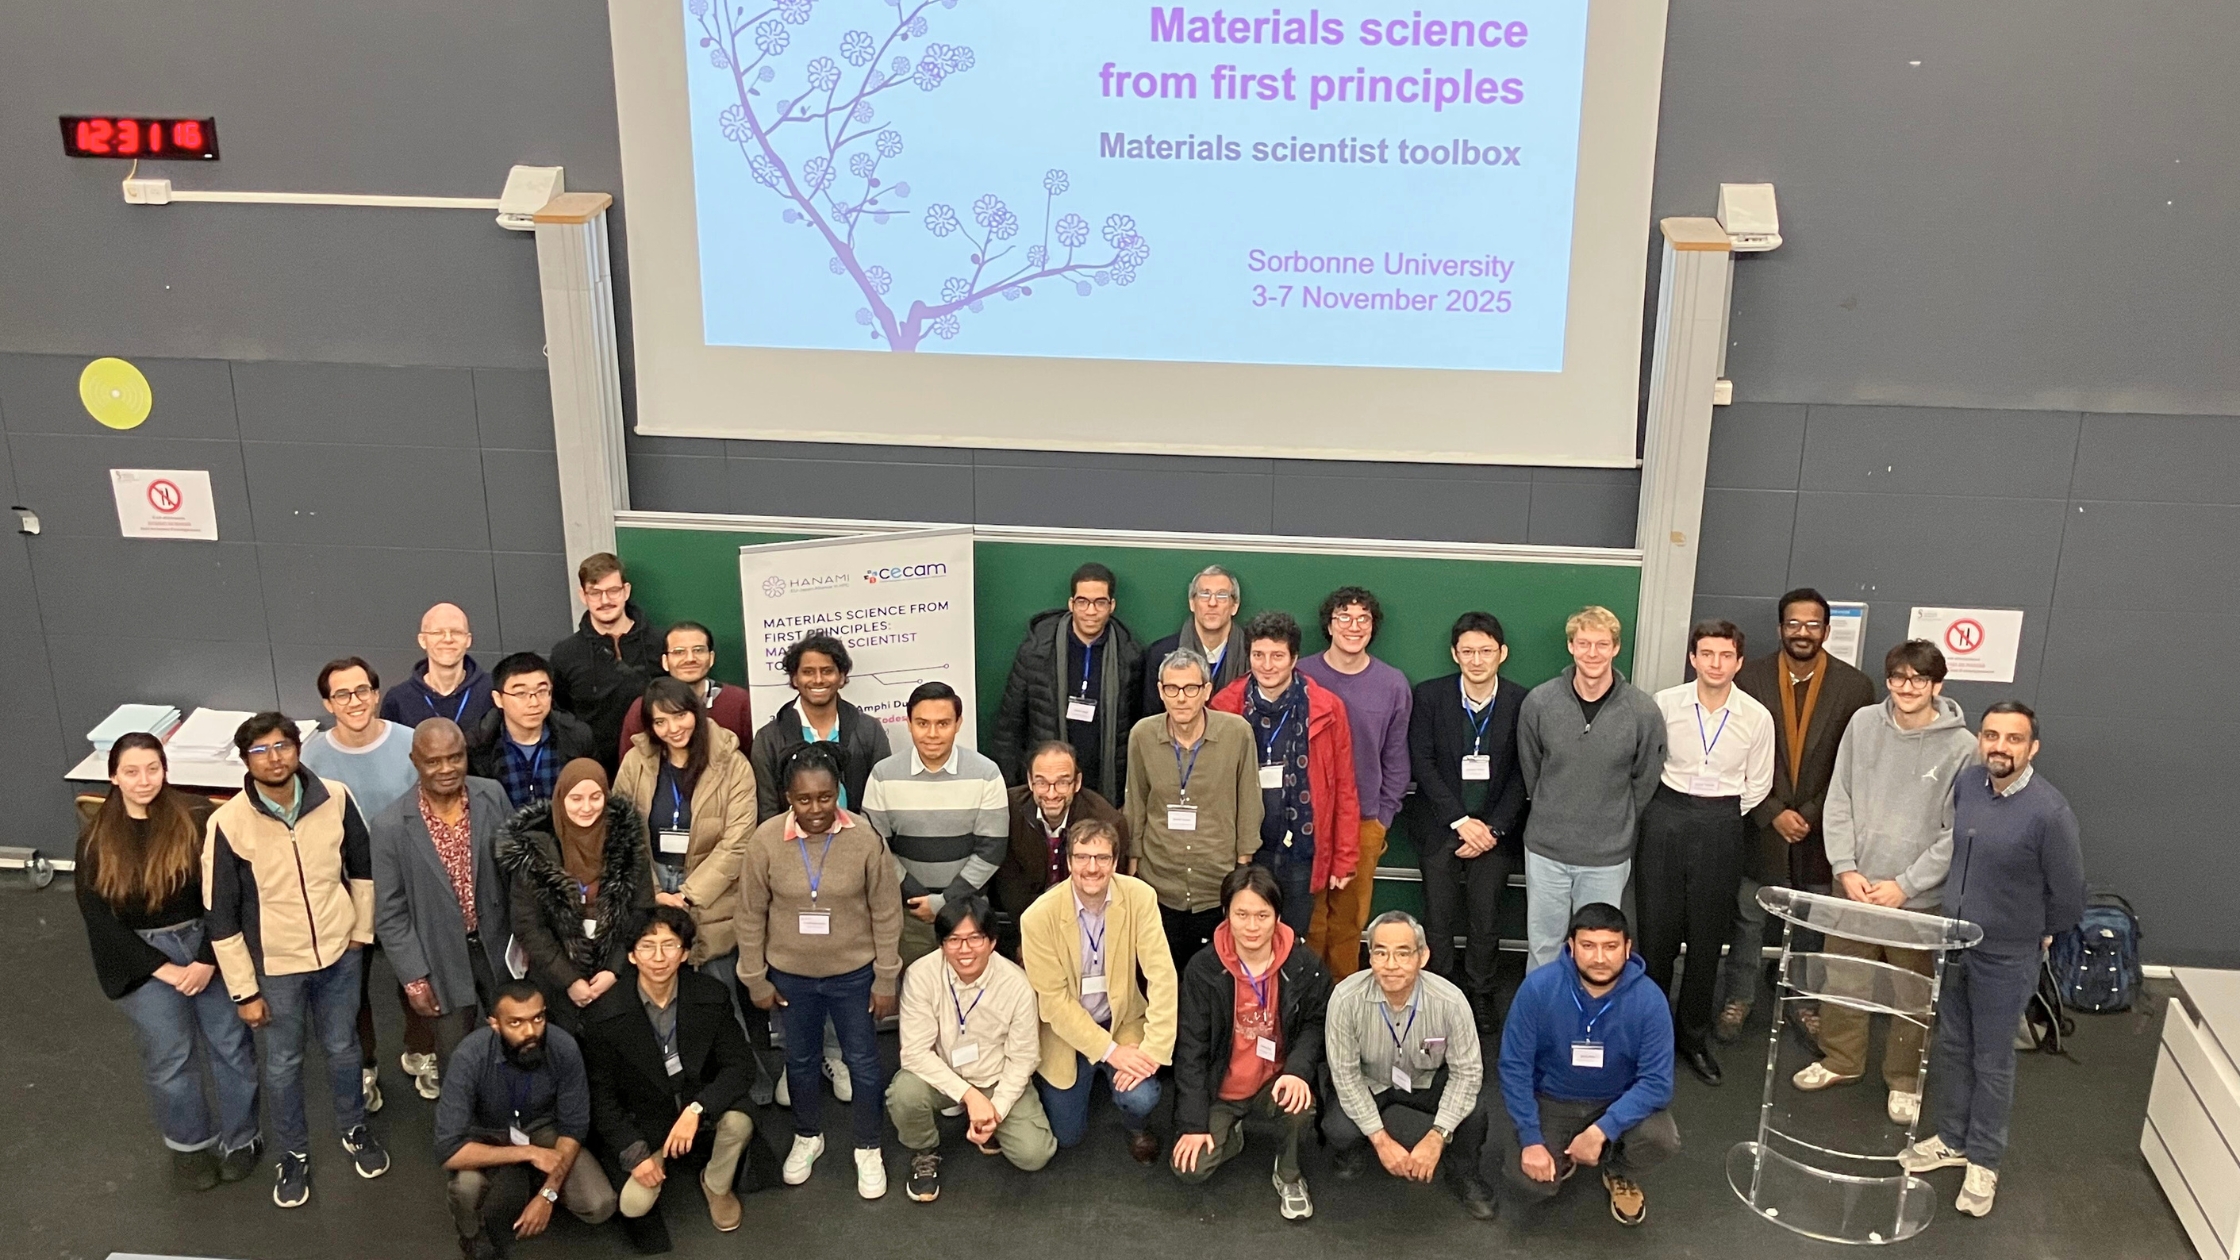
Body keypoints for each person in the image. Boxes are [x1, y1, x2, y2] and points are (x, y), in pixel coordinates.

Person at [1898, 702, 2084, 1219]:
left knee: (1993, 1058)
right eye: (1991, 735)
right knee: (1954, 1045)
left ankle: (1984, 1159)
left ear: (2033, 748)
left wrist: (2038, 933)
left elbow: (2068, 894)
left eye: (2014, 739)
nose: (2000, 747)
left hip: (2007, 954)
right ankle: (1952, 1140)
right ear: (1980, 739)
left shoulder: (2049, 811)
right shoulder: (1970, 785)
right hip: (1955, 945)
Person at [203, 711, 391, 1207]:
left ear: (297, 748)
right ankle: (294, 1155)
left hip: (339, 954)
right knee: (284, 1062)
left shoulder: (335, 798)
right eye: (260, 750)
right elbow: (220, 917)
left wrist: (359, 933)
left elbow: (364, 868)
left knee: (345, 1047)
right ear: (246, 760)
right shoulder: (226, 823)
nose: (274, 757)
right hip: (276, 968)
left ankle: (355, 1129)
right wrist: (245, 991)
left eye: (281, 745)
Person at [1793, 640, 1976, 1124]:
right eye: (1898, 677)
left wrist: (1906, 885)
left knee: (1911, 993)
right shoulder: (1863, 724)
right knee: (1844, 980)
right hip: (1853, 887)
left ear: (1937, 685)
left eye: (1918, 679)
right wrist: (1845, 868)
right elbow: (1840, 798)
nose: (1906, 687)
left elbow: (1956, 833)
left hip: (1913, 900)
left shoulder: (1964, 748)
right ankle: (1840, 1060)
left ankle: (1903, 1080)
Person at [75, 733, 260, 1191]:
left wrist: (204, 959)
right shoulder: (96, 839)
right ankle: (190, 1146)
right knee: (170, 1057)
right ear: (113, 776)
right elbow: (99, 919)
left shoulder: (198, 818)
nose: (144, 781)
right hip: (144, 959)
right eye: (132, 771)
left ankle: (243, 1139)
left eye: (153, 769)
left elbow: (227, 893)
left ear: (165, 769)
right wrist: (166, 970)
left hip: (206, 945)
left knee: (231, 1046)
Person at [734, 743, 904, 1199]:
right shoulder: (766, 841)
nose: (815, 809)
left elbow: (887, 912)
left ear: (839, 793)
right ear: (788, 796)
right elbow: (750, 914)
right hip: (790, 978)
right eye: (804, 799)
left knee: (866, 1065)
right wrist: (755, 977)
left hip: (854, 975)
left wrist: (886, 977)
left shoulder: (866, 839)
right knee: (801, 1062)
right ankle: (809, 1136)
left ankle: (868, 1147)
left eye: (825, 798)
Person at [1720, 588, 1875, 1044]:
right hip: (1759, 822)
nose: (1802, 633)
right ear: (1780, 628)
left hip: (1821, 828)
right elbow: (1734, 754)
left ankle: (1802, 999)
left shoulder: (1855, 687)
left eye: (1812, 625)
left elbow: (1852, 765)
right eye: (1793, 624)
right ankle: (1739, 996)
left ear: (1826, 631)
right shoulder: (1750, 678)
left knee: (1810, 919)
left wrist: (1808, 812)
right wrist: (1772, 812)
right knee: (1749, 918)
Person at [1638, 621, 1774, 1086]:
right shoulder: (1665, 704)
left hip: (1722, 822)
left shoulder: (1756, 716)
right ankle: (1648, 1040)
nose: (1715, 663)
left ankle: (1692, 1038)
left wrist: (1719, 812)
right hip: (1666, 816)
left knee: (1706, 939)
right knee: (1656, 934)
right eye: (1706, 653)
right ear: (1693, 658)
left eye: (1725, 655)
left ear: (1738, 662)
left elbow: (1759, 785)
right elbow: (1648, 765)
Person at [581, 908, 763, 1250]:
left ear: (684, 953)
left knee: (740, 1122)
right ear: (632, 956)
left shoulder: (710, 994)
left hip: (698, 1101)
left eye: (670, 945)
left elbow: (740, 1066)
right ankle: (659, 1159)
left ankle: (716, 1185)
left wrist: (696, 1109)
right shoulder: (604, 1014)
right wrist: (634, 1154)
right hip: (645, 1115)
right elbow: (600, 1097)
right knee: (634, 1205)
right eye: (648, 946)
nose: (659, 957)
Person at [1496, 903, 1678, 1227]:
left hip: (1616, 1100)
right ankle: (1561, 1151)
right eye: (1588, 946)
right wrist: (1531, 1139)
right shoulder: (1538, 989)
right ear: (1571, 947)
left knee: (1661, 1137)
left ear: (1627, 947)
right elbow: (1514, 1066)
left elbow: (1657, 1083)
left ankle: (1618, 1169)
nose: (1599, 958)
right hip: (1553, 1099)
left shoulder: (1650, 1000)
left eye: (1610, 946)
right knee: (1527, 1184)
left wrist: (1600, 1132)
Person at [303, 656, 433, 1107]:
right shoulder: (311, 756)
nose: (355, 701)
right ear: (327, 703)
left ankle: (422, 1053)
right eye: (343, 694)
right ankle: (365, 1066)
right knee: (350, 986)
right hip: (344, 888)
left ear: (377, 695)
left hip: (409, 883)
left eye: (363, 691)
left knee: (415, 975)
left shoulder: (413, 742)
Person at [1170, 863, 1329, 1220]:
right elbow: (1191, 1049)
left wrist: (1298, 1072)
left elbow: (1316, 1023)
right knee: (1189, 1170)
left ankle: (1288, 1175)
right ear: (1226, 913)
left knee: (1299, 1106)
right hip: (1221, 1089)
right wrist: (1194, 1123)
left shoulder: (1305, 964)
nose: (1252, 926)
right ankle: (1232, 1135)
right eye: (1241, 914)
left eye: (1262, 914)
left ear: (1277, 915)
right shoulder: (1203, 968)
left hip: (1274, 1081)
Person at [1515, 607, 1666, 971]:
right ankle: (1544, 1021)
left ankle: (1592, 1024)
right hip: (1546, 851)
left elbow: (1645, 779)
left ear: (1616, 648)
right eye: (1584, 643)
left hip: (1607, 857)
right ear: (1571, 647)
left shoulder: (1642, 711)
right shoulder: (1539, 702)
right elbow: (1531, 769)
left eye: (1602, 644)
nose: (1592, 652)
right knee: (1544, 947)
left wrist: (1613, 818)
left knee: (1599, 952)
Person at [1021, 818, 1176, 1164]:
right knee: (1067, 1136)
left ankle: (1138, 1127)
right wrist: (1110, 1053)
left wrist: (1151, 1050)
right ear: (1069, 862)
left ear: (1115, 862)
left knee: (1142, 1096)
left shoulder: (1140, 897)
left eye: (1102, 858)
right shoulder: (1038, 918)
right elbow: (1055, 1004)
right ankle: (1088, 1078)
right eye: (1082, 857)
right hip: (1067, 1032)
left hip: (1121, 1021)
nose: (1092, 868)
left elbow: (1162, 975)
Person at [1323, 910, 1496, 1218]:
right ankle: (1355, 1148)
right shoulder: (1345, 998)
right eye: (1381, 952)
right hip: (1370, 1079)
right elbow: (1345, 1076)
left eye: (1403, 953)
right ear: (1370, 956)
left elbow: (1468, 1074)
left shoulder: (1451, 1001)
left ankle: (1462, 1173)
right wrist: (1381, 1139)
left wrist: (1437, 1135)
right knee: (1338, 1127)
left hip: (1426, 1079)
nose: (1391, 965)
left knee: (1474, 1109)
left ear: (1423, 956)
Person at [370, 719, 517, 1075]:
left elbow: (517, 872)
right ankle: (463, 1130)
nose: (447, 769)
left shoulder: (492, 795)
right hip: (440, 960)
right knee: (456, 1060)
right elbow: (391, 914)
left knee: (520, 1044)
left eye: (455, 758)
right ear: (415, 760)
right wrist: (414, 979)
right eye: (434, 761)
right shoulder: (390, 826)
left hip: (499, 948)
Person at [889, 894, 1057, 1201]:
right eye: (954, 940)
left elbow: (1024, 1058)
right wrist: (969, 1096)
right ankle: (924, 1151)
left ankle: (984, 1122)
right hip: (943, 1077)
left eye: (974, 938)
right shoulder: (921, 975)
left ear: (992, 942)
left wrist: (996, 1108)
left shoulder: (1016, 984)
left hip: (995, 1077)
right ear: (941, 944)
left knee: (1034, 1154)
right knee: (905, 1093)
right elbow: (914, 1052)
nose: (964, 950)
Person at [435, 980, 618, 1259]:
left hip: (540, 1126)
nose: (530, 1031)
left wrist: (548, 1194)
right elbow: (449, 1151)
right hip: (486, 1132)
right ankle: (471, 1234)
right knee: (466, 1187)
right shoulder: (468, 1057)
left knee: (599, 1203)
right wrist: (529, 1153)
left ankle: (540, 1182)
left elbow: (573, 1128)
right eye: (516, 1023)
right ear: (495, 1024)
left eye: (537, 1018)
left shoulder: (564, 1048)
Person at [1409, 612, 1529, 1030]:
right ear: (1454, 654)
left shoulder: (1520, 701)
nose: (1477, 660)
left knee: (1485, 917)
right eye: (1468, 652)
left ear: (1502, 654)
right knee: (1438, 917)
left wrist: (1492, 829)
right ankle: (1440, 993)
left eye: (1486, 651)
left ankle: (1480, 992)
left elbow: (1522, 772)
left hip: (1496, 829)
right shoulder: (1430, 696)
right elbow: (1421, 763)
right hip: (1441, 824)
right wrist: (1460, 820)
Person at [1210, 611, 1362, 942]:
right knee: (1244, 935)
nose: (1267, 665)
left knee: (1294, 938)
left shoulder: (1327, 708)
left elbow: (1344, 787)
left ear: (1294, 658)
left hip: (1301, 847)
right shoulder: (1224, 706)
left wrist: (1344, 857)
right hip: (1243, 849)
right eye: (1258, 655)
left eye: (1277, 656)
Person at [613, 678, 757, 995]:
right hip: (650, 883)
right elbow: (621, 833)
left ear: (696, 712)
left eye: (680, 715)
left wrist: (687, 896)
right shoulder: (635, 763)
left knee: (716, 994)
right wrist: (653, 893)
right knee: (655, 992)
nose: (673, 728)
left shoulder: (732, 764)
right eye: (660, 721)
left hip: (711, 893)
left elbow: (738, 841)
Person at [1297, 587, 1411, 980]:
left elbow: (1396, 758)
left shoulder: (1393, 684)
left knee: (1348, 926)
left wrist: (1382, 818)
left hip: (1362, 820)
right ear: (1328, 625)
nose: (1353, 626)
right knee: (1309, 924)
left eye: (1363, 618)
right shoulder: (1302, 676)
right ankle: (1307, 1006)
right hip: (1306, 820)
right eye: (1344, 617)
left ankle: (1343, 1006)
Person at [495, 759, 656, 1035]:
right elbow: (527, 925)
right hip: (554, 979)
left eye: (595, 797)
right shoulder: (533, 849)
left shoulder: (627, 842)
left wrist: (613, 971)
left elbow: (640, 911)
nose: (586, 807)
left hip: (615, 973)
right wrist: (569, 980)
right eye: (576, 798)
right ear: (561, 798)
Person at [1125, 647, 1263, 966]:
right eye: (1172, 688)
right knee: (1161, 974)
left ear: (1207, 691)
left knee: (1214, 977)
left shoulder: (1237, 734)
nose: (1181, 698)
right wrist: (1133, 865)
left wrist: (1242, 868)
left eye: (1191, 688)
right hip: (1160, 879)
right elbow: (1136, 803)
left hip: (1217, 881)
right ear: (1161, 691)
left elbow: (1249, 802)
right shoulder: (1142, 736)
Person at [861, 681, 1010, 964]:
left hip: (969, 915)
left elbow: (991, 850)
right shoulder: (883, 774)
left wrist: (944, 902)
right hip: (909, 916)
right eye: (922, 723)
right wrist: (921, 900)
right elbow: (877, 849)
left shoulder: (986, 773)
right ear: (908, 723)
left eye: (943, 723)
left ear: (958, 723)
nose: (932, 734)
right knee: (915, 999)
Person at [989, 561, 1145, 806]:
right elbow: (1009, 727)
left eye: (1100, 602)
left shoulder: (1130, 656)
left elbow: (1135, 731)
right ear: (1071, 603)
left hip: (1103, 789)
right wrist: (1012, 792)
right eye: (1082, 602)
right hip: (1046, 790)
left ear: (1111, 606)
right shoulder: (1036, 651)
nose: (1090, 611)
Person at [747, 630, 891, 823]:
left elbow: (882, 801)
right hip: (794, 847)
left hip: (858, 842)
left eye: (827, 671)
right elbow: (768, 810)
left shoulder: (869, 730)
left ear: (841, 677)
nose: (818, 680)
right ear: (794, 679)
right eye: (808, 672)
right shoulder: (769, 738)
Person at [550, 552, 664, 774]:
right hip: (595, 774)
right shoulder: (565, 654)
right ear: (583, 595)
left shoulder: (660, 644)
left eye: (613, 591)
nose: (605, 601)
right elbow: (559, 715)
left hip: (657, 766)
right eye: (595, 593)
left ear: (626, 591)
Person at [993, 740, 1130, 918]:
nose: (1051, 794)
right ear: (1029, 780)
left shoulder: (1108, 822)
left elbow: (1108, 889)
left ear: (1077, 782)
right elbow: (1010, 884)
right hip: (1024, 918)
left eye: (1062, 783)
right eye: (1042, 783)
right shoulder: (1008, 810)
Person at [469, 652, 599, 809]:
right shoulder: (478, 745)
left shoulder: (576, 736)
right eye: (521, 693)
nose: (534, 702)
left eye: (542, 691)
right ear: (498, 699)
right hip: (504, 831)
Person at [618, 621, 755, 759]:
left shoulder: (739, 702)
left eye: (698, 650)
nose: (690, 659)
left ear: (711, 658)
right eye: (679, 652)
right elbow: (630, 769)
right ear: (665, 661)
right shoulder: (642, 708)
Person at [1139, 565, 1250, 714]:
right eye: (1204, 595)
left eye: (1222, 595)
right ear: (1192, 603)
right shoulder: (1160, 654)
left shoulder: (1254, 655)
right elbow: (1152, 720)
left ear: (1234, 606)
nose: (1212, 603)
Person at [384, 602, 497, 732]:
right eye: (438, 632)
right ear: (422, 640)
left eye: (456, 632)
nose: (448, 639)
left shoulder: (494, 690)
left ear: (468, 640)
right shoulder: (399, 699)